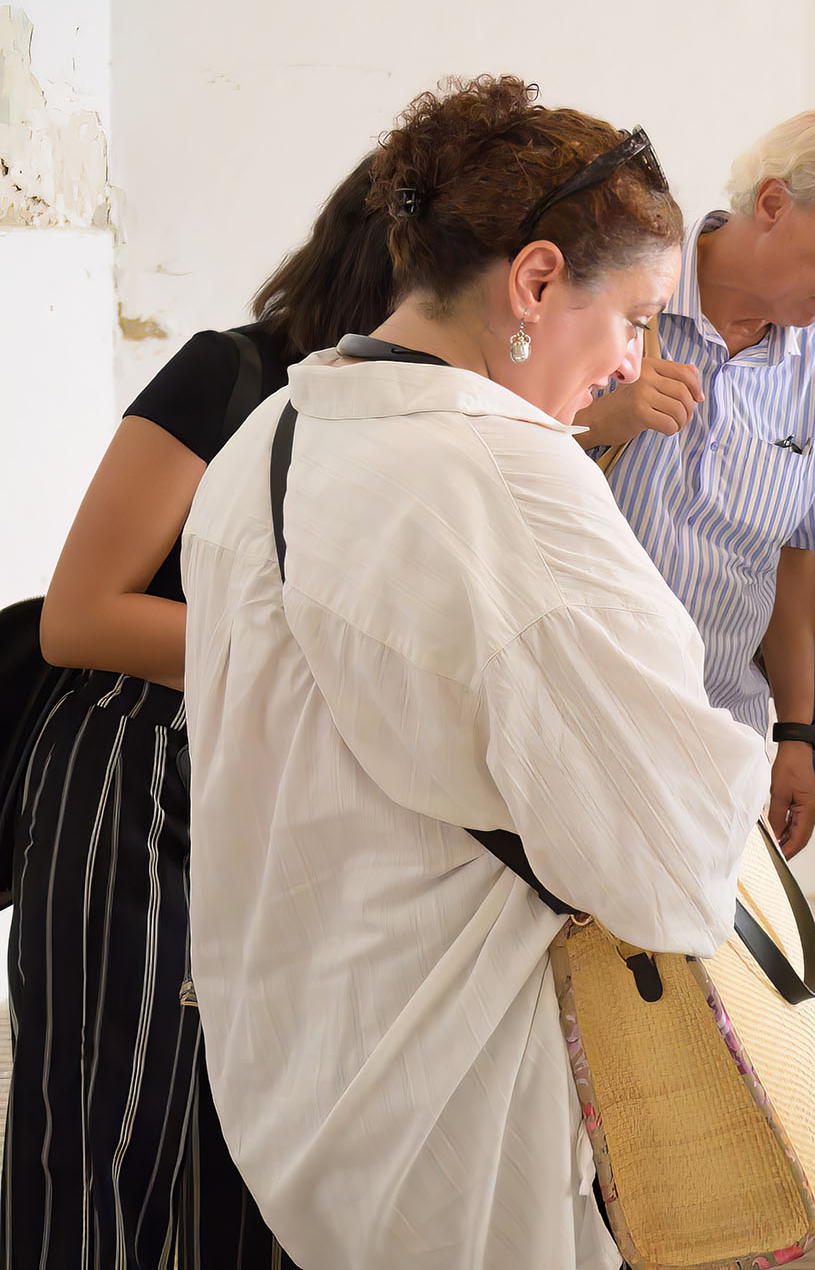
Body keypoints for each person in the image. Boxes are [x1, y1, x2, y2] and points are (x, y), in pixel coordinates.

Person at [178, 76, 769, 1269]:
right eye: (635, 316)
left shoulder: (268, 442)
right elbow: (675, 865)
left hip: (300, 1062)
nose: (632, 361)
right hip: (464, 1086)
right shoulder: (506, 479)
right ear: (536, 281)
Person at [4, 150, 394, 1268]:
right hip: (135, 771)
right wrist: (311, 657)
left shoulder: (425, 420)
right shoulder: (235, 371)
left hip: (289, 790)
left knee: (261, 1145)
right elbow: (78, 617)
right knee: (98, 1134)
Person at [573, 108, 815, 858]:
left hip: (722, 736)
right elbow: (489, 448)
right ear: (772, 203)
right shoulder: (622, 291)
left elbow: (795, 557)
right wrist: (597, 420)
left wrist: (796, 736)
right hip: (581, 723)